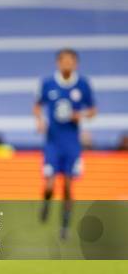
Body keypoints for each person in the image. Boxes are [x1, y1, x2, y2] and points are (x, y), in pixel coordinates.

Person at [34, 48, 96, 239]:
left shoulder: (83, 85)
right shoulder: (48, 84)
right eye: (64, 61)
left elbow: (93, 110)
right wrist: (40, 120)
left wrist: (81, 115)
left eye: (71, 61)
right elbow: (37, 106)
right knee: (50, 184)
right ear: (58, 63)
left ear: (75, 64)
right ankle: (46, 203)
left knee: (68, 185)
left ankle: (65, 225)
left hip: (72, 143)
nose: (68, 64)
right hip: (53, 142)